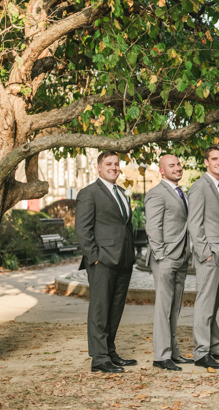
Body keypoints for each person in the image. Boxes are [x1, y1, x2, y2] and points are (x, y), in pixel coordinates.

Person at [75, 151, 136, 373]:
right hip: (102, 261)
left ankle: (110, 351)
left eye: (116, 164)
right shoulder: (89, 193)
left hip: (124, 261)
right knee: (100, 309)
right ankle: (99, 359)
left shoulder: (121, 192)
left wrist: (131, 254)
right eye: (108, 164)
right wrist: (95, 258)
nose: (113, 167)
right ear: (98, 167)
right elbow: (82, 230)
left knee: (115, 309)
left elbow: (124, 225)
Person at [188, 145, 219, 369]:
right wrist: (205, 253)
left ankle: (214, 346)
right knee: (204, 305)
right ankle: (201, 353)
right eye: (215, 159)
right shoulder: (200, 187)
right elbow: (194, 223)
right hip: (209, 255)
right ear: (206, 162)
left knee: (213, 305)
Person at [144, 154, 192, 371]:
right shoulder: (156, 194)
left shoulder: (182, 192)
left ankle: (172, 352)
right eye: (171, 166)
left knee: (174, 308)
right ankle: (161, 356)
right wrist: (162, 255)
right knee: (163, 308)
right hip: (165, 258)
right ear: (162, 171)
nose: (177, 168)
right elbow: (153, 228)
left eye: (179, 164)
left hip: (181, 257)